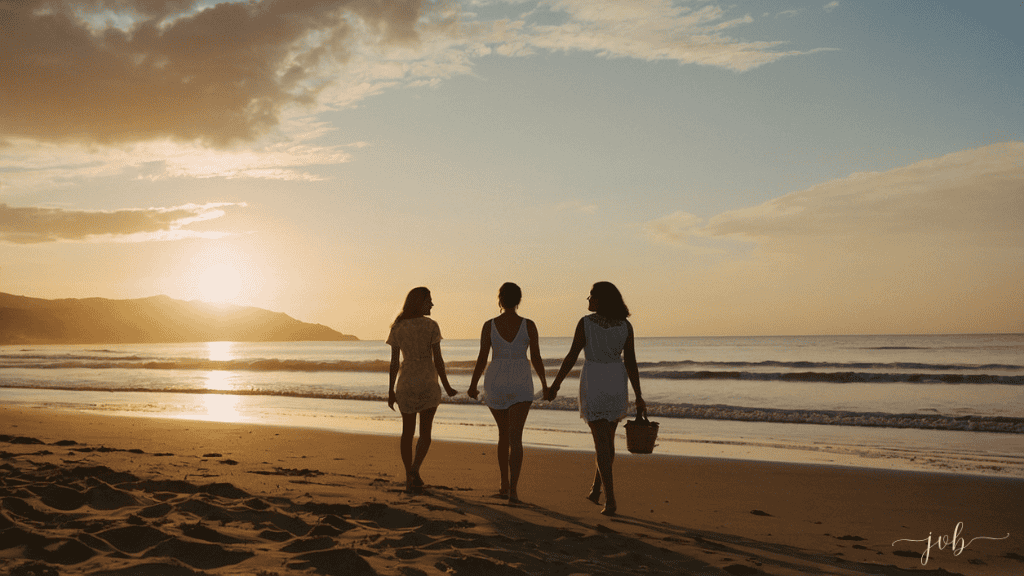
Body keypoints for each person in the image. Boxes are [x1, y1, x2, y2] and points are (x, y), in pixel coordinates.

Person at [546, 281, 644, 516]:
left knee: (601, 442)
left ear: (601, 300)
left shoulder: (586, 323)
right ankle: (596, 488)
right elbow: (631, 362)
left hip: (595, 380)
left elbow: (571, 356)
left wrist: (556, 384)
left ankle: (610, 500)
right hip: (616, 381)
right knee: (607, 439)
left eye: (591, 296)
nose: (588, 300)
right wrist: (639, 395)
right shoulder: (625, 326)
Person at [468, 283, 547, 503]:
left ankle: (503, 485)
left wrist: (473, 384)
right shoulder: (528, 325)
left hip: (497, 380)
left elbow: (482, 358)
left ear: (500, 300)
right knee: (516, 438)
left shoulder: (489, 325)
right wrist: (545, 383)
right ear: (519, 300)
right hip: (521, 380)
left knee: (503, 435)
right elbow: (537, 358)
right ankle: (513, 490)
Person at [387, 287, 458, 492]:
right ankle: (414, 469)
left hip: (407, 380)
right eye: (429, 301)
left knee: (407, 433)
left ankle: (409, 477)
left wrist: (390, 390)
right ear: (420, 303)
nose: (432, 304)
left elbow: (393, 363)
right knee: (425, 432)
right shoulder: (431, 326)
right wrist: (446, 385)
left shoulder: (398, 327)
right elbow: (438, 359)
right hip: (428, 381)